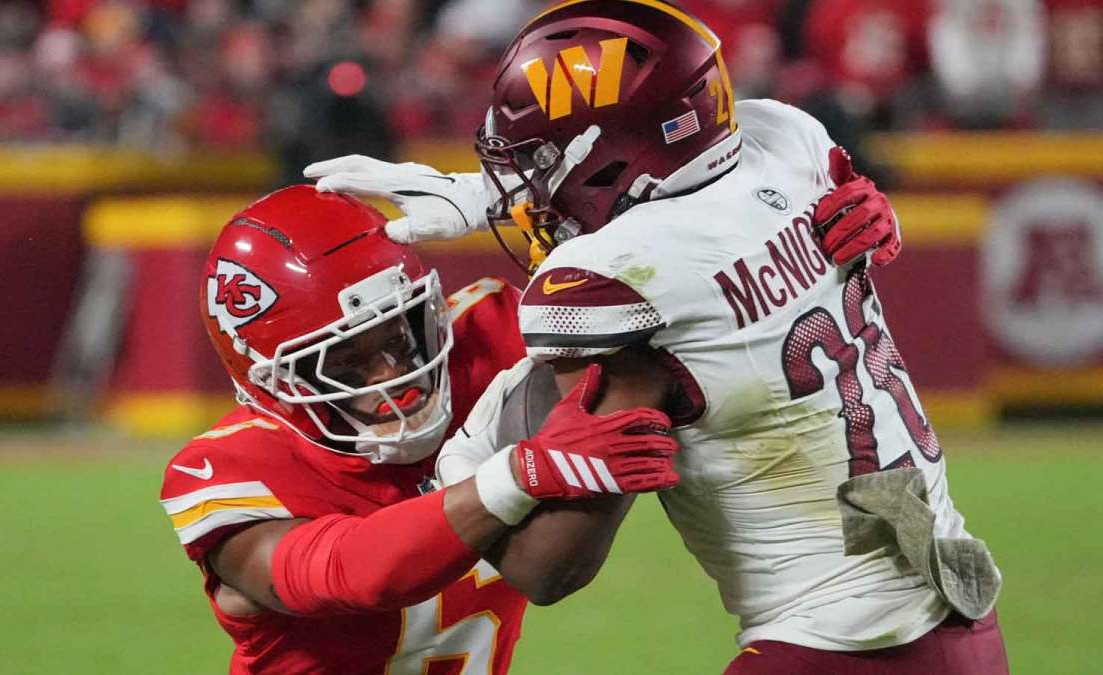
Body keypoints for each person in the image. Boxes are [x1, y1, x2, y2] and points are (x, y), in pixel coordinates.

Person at [303, 1, 1008, 673]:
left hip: (839, 643)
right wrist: (481, 198)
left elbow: (544, 568)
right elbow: (703, 211)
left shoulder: (614, 277)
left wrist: (468, 462)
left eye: (542, 159)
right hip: (953, 602)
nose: (529, 187)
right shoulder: (790, 142)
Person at [158, 184, 681, 674]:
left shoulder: (485, 347)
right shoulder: (231, 470)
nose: (393, 375)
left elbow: (665, 302)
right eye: (342, 365)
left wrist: (515, 202)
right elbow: (349, 572)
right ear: (273, 383)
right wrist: (518, 476)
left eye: (401, 336)